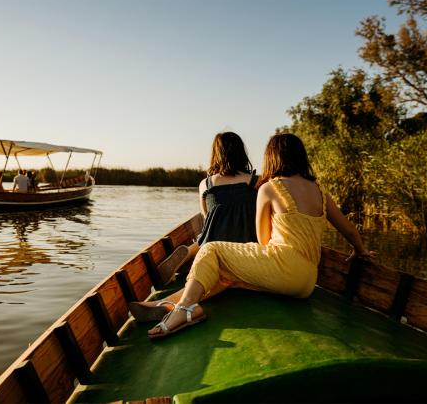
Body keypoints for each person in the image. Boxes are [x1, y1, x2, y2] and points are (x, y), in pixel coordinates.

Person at [136, 133, 376, 339]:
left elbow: (263, 242)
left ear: (273, 157)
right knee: (225, 274)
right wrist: (360, 251)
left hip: (283, 270)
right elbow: (350, 230)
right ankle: (171, 305)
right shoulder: (319, 191)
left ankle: (185, 308)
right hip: (306, 282)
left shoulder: (270, 188)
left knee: (212, 250)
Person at [158, 131, 258, 284]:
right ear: (241, 153)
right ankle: (191, 254)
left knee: (205, 238)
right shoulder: (256, 182)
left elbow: (206, 215)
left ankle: (189, 253)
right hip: (245, 242)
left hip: (213, 241)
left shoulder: (206, 184)